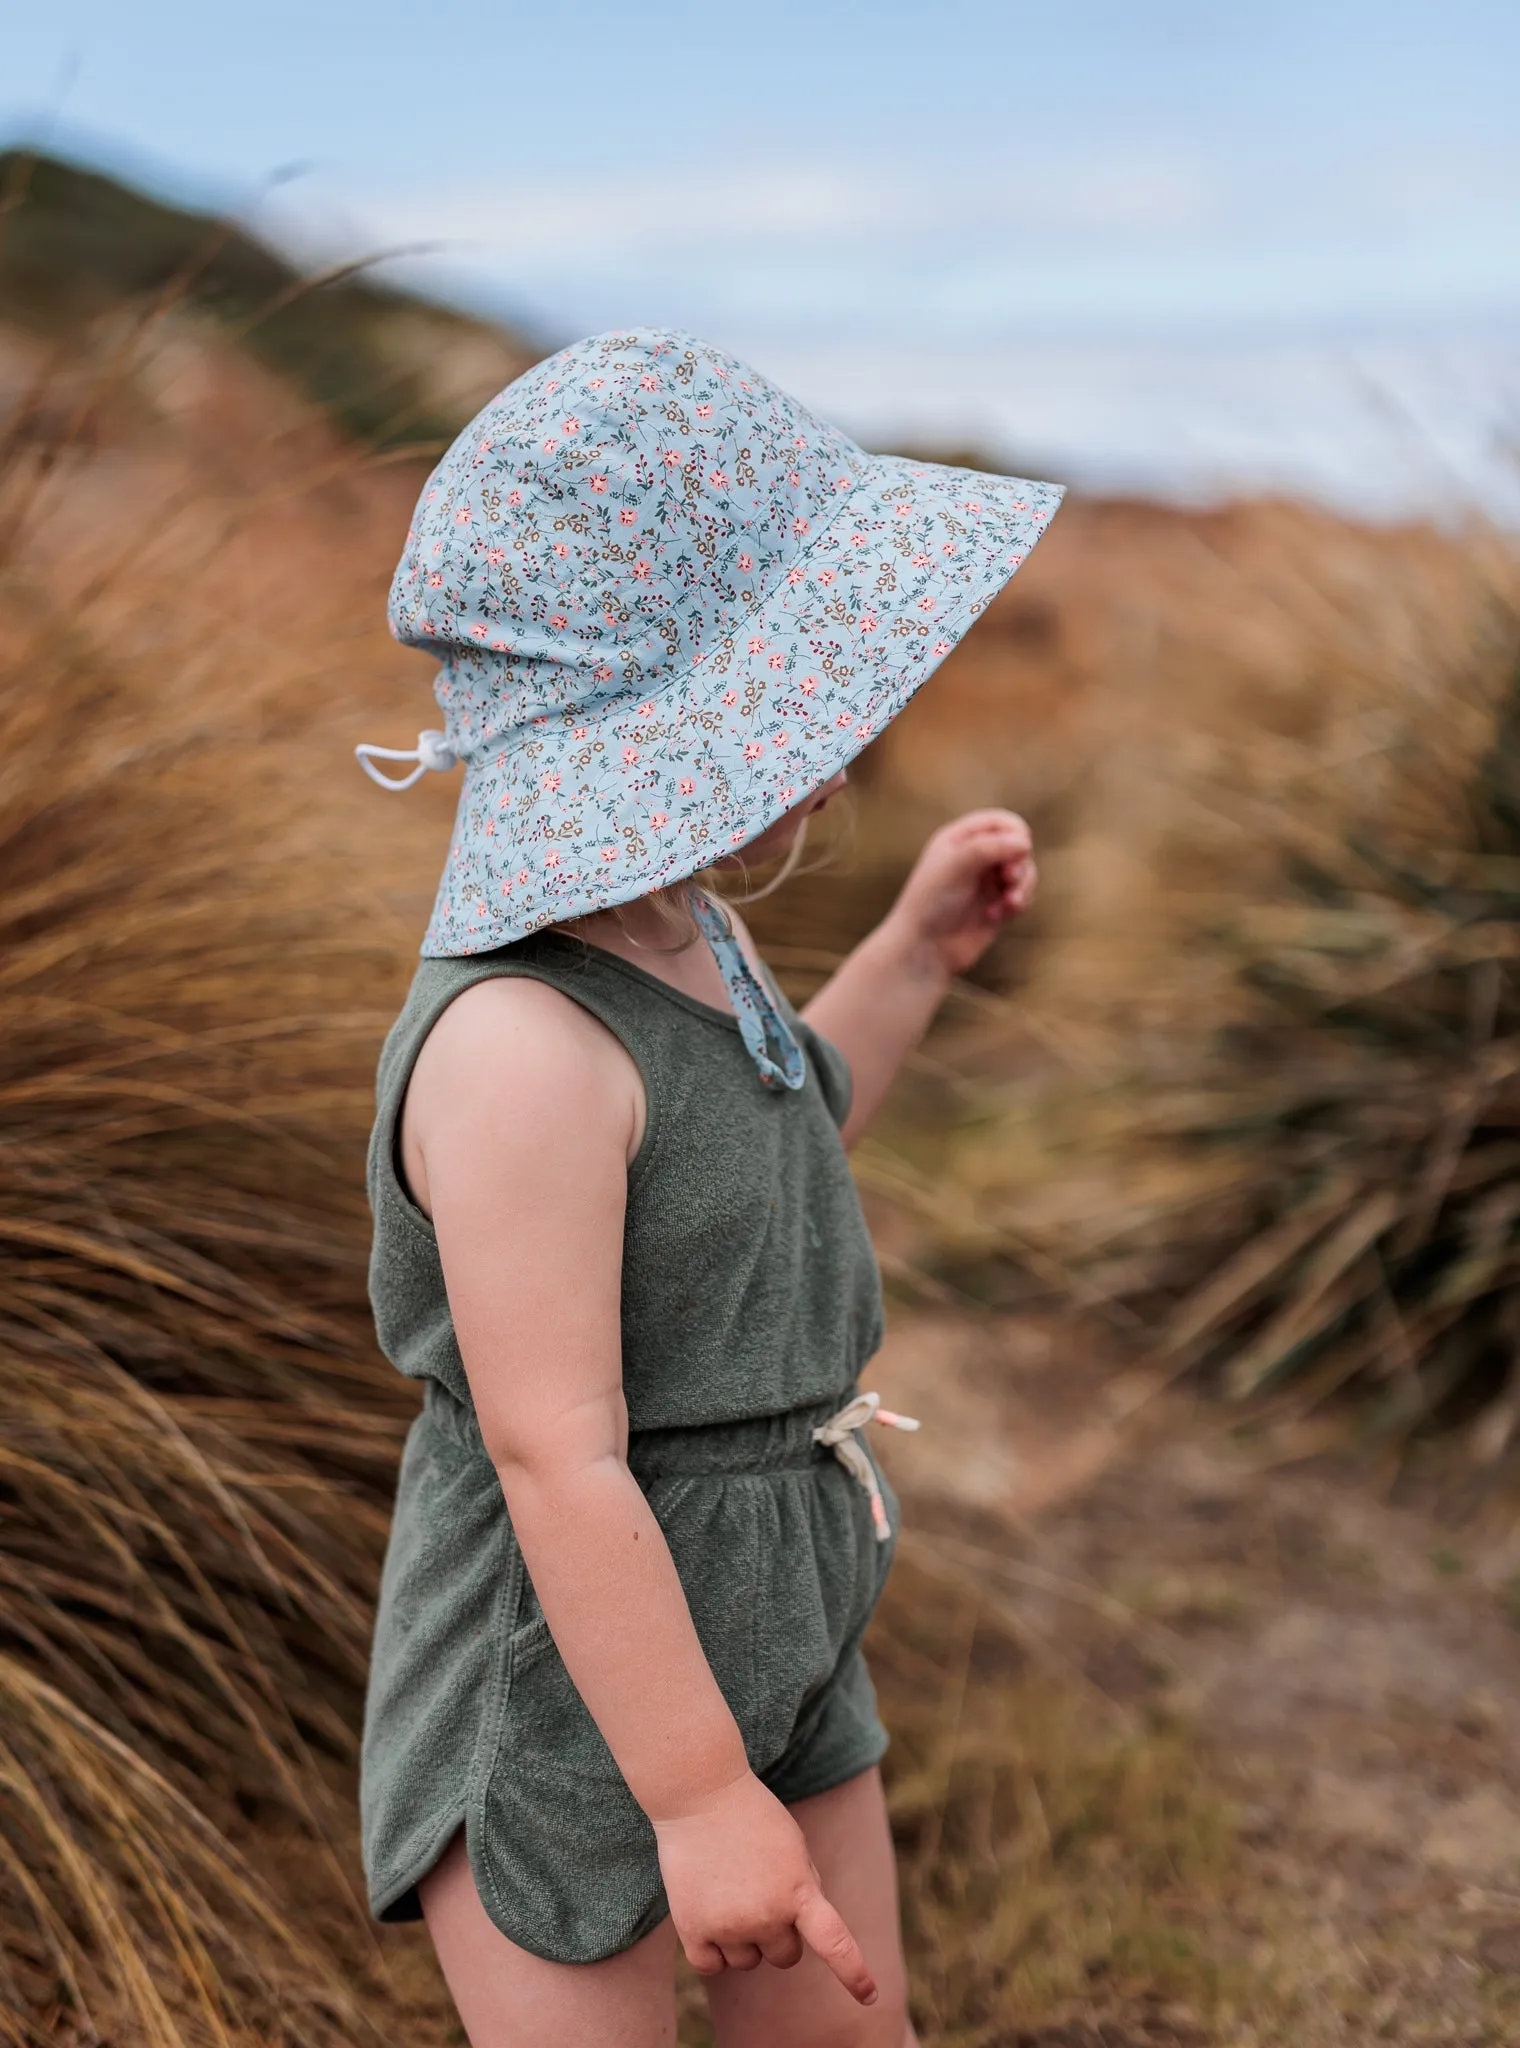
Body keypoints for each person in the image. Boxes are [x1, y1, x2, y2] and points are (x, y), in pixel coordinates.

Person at [355, 329, 1061, 2048]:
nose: (845, 744)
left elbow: (784, 1125)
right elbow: (554, 1450)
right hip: (565, 1676)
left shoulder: (692, 939)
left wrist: (910, 956)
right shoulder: (520, 1048)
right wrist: (689, 1795)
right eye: (806, 702)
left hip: (779, 1603)